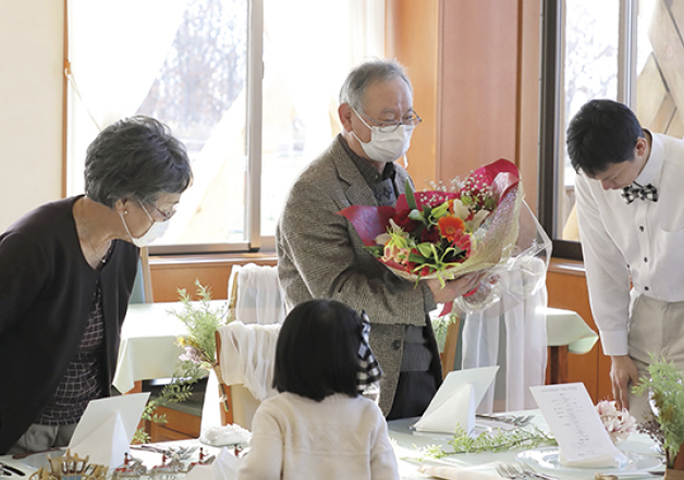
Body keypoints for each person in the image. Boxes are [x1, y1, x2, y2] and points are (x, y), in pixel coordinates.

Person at [275, 59, 480, 419]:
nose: (399, 129)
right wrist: (427, 295)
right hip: (342, 372)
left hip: (414, 360)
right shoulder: (314, 191)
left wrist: (464, 270)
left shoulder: (401, 179)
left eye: (407, 118)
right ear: (348, 117)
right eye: (387, 119)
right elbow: (335, 294)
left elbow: (412, 267)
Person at [0, 116, 193, 454]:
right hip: (23, 427)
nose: (164, 222)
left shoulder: (125, 246)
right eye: (164, 212)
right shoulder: (32, 245)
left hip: (86, 425)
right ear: (123, 202)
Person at [567, 98, 684, 419]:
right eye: (598, 180)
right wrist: (616, 351)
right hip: (643, 317)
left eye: (612, 176)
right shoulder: (593, 178)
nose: (606, 188)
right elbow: (603, 266)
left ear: (639, 147)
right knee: (635, 437)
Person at [236, 299, 399, 480]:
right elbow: (388, 476)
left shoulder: (276, 412)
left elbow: (260, 474)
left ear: (287, 353)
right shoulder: (369, 414)